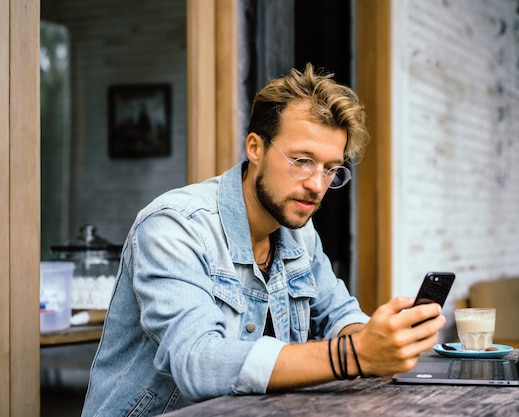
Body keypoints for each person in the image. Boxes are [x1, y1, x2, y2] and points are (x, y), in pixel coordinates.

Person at [81, 64, 445, 417]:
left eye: (331, 169)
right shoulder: (174, 227)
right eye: (302, 160)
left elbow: (337, 314)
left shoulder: (298, 232)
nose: (318, 185)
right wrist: (356, 354)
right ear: (255, 148)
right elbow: (197, 360)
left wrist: (381, 339)